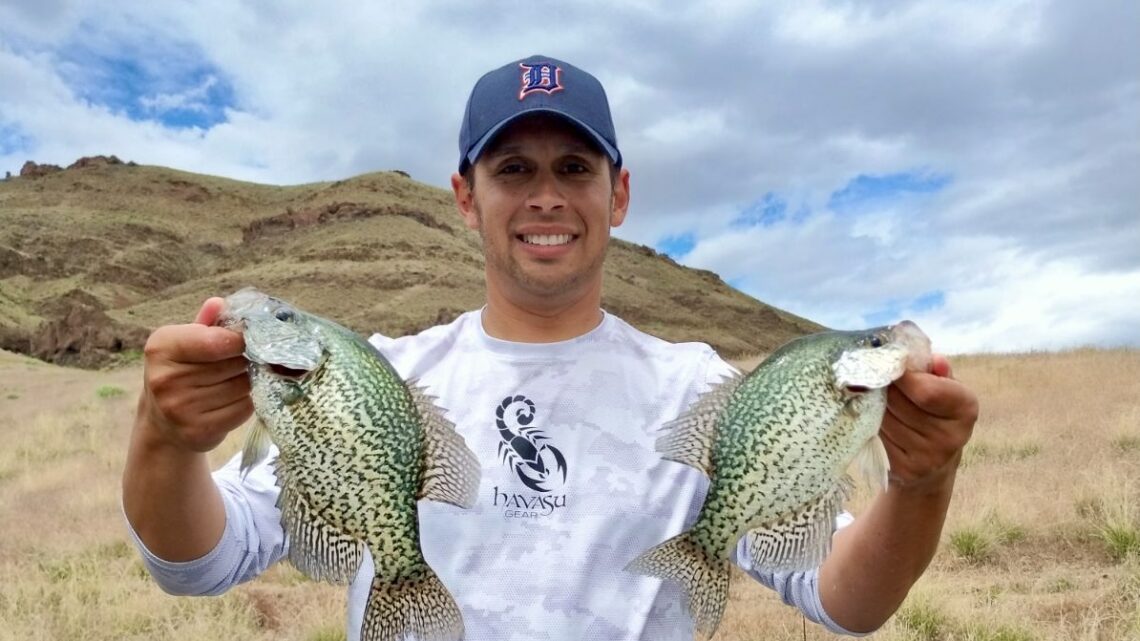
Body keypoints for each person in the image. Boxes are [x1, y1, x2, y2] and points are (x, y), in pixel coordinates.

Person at [122, 55, 978, 640]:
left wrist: (922, 481)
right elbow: (202, 562)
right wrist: (163, 441)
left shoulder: (700, 389)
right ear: (465, 196)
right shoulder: (379, 378)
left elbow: (847, 598)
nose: (545, 197)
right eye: (512, 169)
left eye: (574, 168)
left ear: (620, 193)